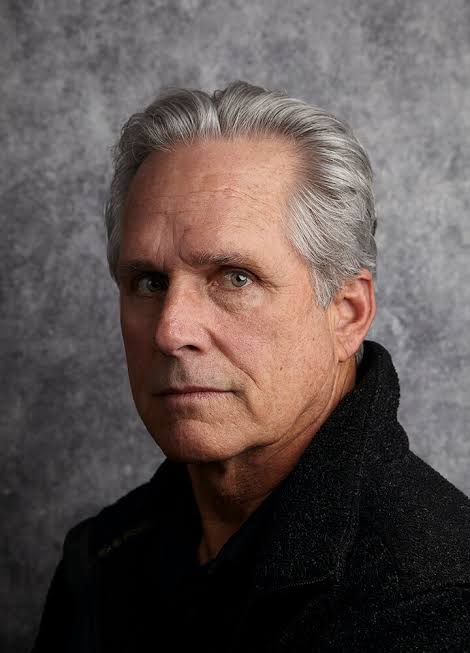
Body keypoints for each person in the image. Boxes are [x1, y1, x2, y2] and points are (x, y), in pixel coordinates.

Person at [32, 81, 470, 652]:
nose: (170, 331)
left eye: (235, 278)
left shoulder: (438, 603)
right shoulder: (99, 559)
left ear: (347, 313)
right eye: (149, 282)